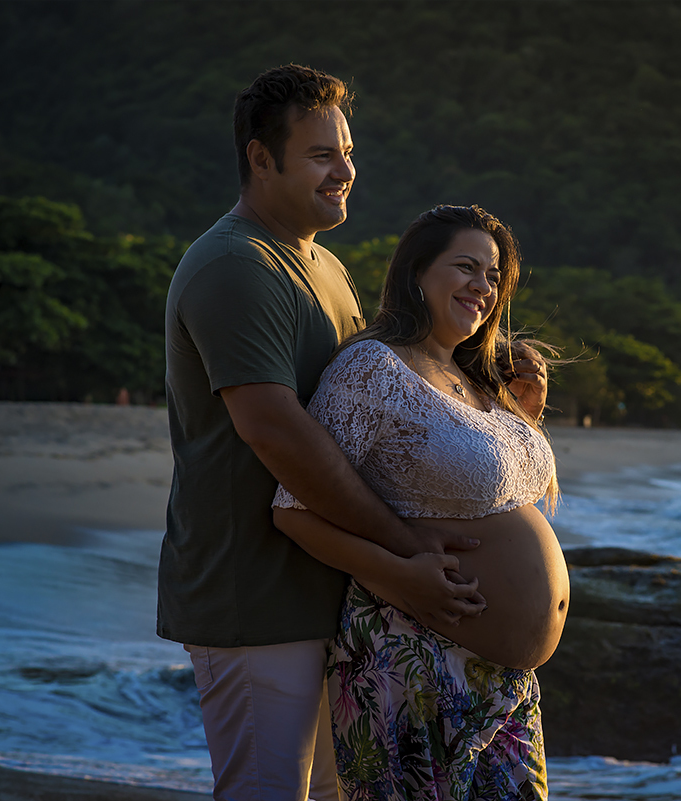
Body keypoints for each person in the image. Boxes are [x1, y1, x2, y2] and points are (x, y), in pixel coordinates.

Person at [159, 66, 525, 800]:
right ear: (261, 158)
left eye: (348, 152)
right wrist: (403, 547)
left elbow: (384, 397)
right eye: (322, 154)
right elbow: (276, 431)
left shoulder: (324, 266)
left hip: (337, 594)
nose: (345, 171)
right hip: (256, 592)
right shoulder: (236, 265)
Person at [272, 205, 568, 800]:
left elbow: (500, 495)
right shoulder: (371, 368)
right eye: (465, 267)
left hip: (504, 684)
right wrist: (399, 575)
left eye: (492, 276)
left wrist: (524, 415)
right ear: (416, 273)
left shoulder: (476, 380)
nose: (482, 286)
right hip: (411, 659)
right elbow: (292, 511)